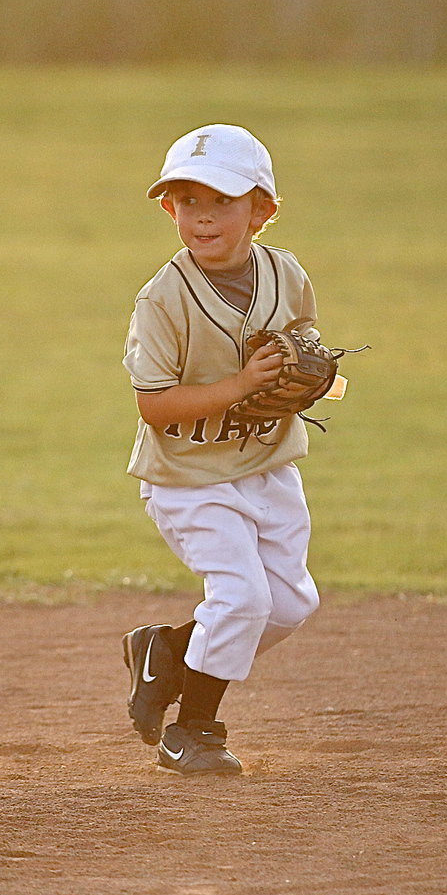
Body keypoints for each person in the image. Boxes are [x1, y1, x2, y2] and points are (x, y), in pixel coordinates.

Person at [121, 123, 323, 775]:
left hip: (267, 466)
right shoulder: (162, 299)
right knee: (242, 597)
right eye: (187, 201)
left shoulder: (287, 273)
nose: (202, 217)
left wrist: (309, 379)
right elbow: (153, 404)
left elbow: (306, 349)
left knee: (291, 603)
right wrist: (238, 385)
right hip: (187, 476)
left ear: (262, 209)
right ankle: (193, 731)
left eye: (222, 201)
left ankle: (170, 653)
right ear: (167, 208)